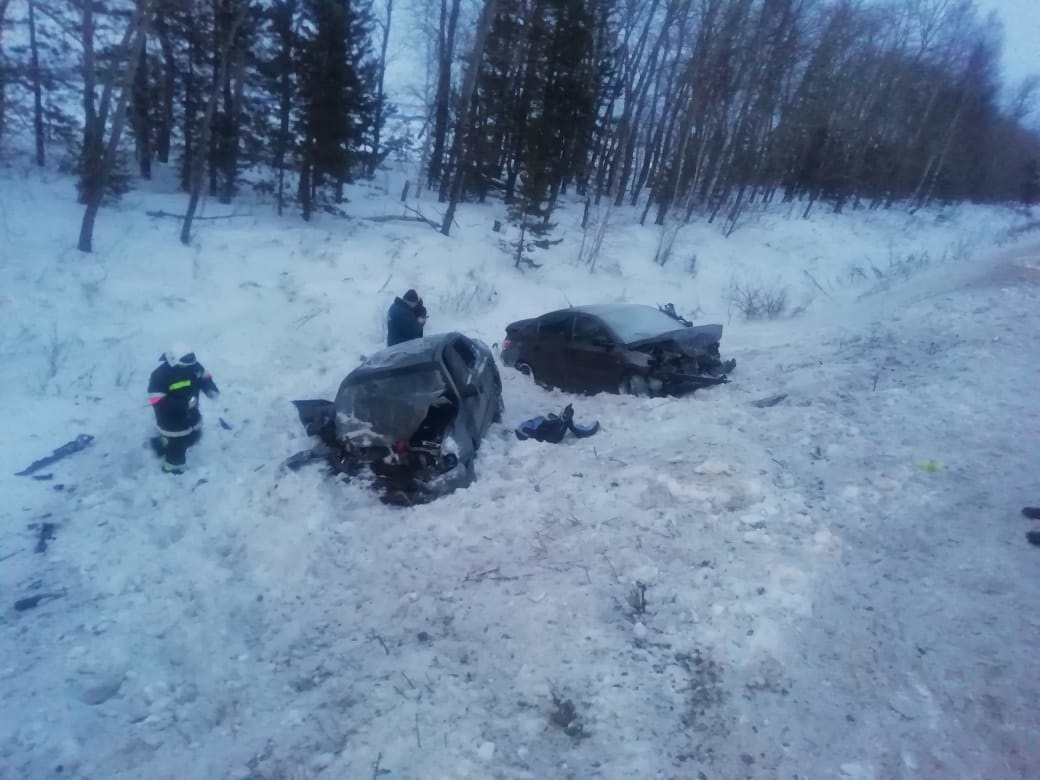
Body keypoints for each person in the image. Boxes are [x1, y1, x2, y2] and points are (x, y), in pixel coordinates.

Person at [147, 344, 219, 474]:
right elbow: (157, 401)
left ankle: (164, 442)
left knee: (194, 436)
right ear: (173, 360)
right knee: (177, 445)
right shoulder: (159, 375)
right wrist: (183, 404)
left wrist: (210, 388)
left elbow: (204, 377)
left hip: (191, 413)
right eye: (183, 364)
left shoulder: (193, 366)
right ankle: (172, 467)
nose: (187, 367)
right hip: (171, 419)